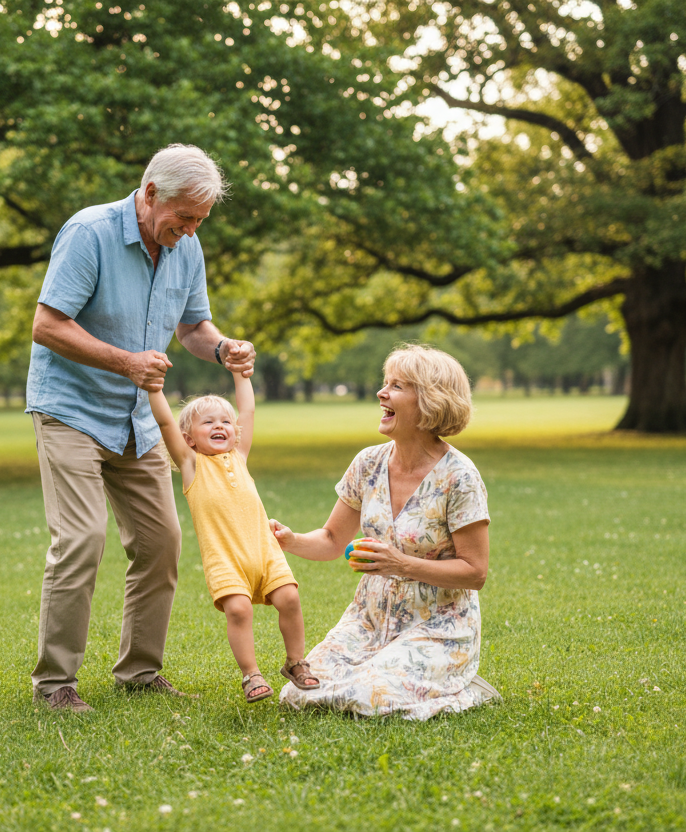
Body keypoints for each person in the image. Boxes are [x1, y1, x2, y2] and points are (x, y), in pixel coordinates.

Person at [26, 144, 256, 712]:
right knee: (81, 539)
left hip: (139, 418)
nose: (191, 229)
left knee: (162, 542)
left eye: (201, 220)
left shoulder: (187, 246)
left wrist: (225, 348)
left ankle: (139, 672)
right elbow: (47, 325)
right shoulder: (90, 233)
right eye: (184, 217)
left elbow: (193, 326)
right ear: (150, 194)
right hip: (72, 409)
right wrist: (127, 361)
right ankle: (55, 683)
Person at [269, 344, 502, 720]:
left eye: (397, 386)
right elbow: (331, 540)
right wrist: (289, 540)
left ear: (429, 401)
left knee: (371, 696)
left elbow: (475, 573)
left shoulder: (459, 477)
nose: (382, 393)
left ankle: (463, 687)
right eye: (385, 383)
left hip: (438, 626)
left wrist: (401, 564)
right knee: (300, 693)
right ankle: (382, 669)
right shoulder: (368, 463)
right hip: (368, 619)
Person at [148, 373, 320, 704]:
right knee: (239, 610)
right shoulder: (192, 465)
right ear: (189, 439)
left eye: (226, 421)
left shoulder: (239, 458)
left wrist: (241, 376)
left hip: (264, 551)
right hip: (224, 557)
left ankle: (295, 662)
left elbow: (249, 412)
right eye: (208, 422)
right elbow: (166, 423)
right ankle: (251, 674)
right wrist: (154, 388)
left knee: (289, 599)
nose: (221, 426)